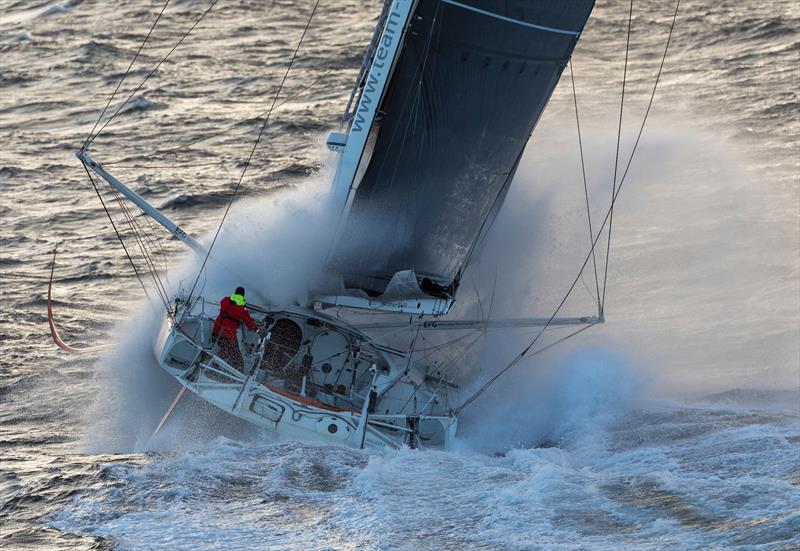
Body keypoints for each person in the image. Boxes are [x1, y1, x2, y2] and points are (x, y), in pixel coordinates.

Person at [212, 286, 259, 370]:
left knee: (225, 350)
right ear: (243, 295)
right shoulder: (241, 308)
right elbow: (248, 321)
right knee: (236, 357)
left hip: (217, 330)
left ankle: (214, 366)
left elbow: (223, 303)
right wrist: (257, 329)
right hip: (228, 335)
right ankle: (236, 374)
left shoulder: (225, 300)